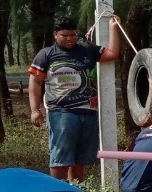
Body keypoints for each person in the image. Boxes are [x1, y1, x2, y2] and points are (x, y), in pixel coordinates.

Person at [28, 16, 121, 182]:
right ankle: (57, 191)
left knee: (81, 158)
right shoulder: (46, 54)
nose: (69, 39)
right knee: (61, 157)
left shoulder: (87, 49)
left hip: (88, 111)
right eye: (64, 35)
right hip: (61, 112)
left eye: (72, 35)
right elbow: (35, 82)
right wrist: (35, 110)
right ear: (55, 34)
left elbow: (112, 54)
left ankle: (77, 190)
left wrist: (113, 28)